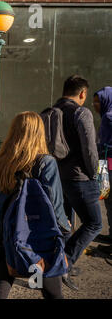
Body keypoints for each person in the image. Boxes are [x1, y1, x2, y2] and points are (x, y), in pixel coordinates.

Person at [0, 111, 71, 299]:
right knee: (51, 293)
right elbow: (54, 204)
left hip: (5, 237)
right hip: (38, 240)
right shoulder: (46, 163)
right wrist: (65, 230)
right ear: (39, 133)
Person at [51, 75, 102, 291]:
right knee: (94, 223)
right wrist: (95, 175)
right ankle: (65, 262)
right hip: (80, 178)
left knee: (64, 225)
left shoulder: (52, 112)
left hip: (58, 177)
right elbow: (90, 150)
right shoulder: (82, 113)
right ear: (82, 93)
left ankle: (58, 264)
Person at [93, 86, 112, 245]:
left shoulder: (109, 117)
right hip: (105, 163)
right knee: (106, 198)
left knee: (108, 197)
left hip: (107, 164)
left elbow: (103, 143)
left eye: (98, 101)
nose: (95, 105)